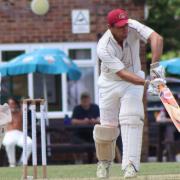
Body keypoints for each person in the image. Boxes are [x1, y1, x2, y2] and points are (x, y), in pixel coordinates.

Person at [93, 8, 166, 179]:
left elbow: (157, 38)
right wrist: (148, 82)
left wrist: (155, 71)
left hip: (133, 82)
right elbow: (122, 74)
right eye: (119, 27)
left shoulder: (132, 26)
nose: (125, 30)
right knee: (107, 128)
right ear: (109, 27)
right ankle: (104, 163)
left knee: (132, 118)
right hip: (110, 83)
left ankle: (130, 166)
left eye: (125, 25)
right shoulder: (103, 46)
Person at [2, 97, 32, 167]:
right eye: (9, 104)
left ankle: (22, 162)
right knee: (9, 143)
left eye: (12, 103)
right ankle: (12, 163)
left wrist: (22, 104)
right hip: (8, 134)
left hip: (20, 134)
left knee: (30, 143)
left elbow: (26, 104)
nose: (11, 105)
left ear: (16, 104)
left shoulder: (21, 112)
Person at [71, 92, 100, 163]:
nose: (85, 101)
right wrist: (83, 121)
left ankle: (96, 160)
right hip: (80, 133)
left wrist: (94, 121)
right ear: (81, 100)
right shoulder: (77, 108)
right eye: (83, 99)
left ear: (90, 99)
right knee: (75, 142)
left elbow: (100, 119)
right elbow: (73, 121)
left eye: (86, 99)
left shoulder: (95, 107)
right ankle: (78, 161)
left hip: (92, 133)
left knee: (99, 141)